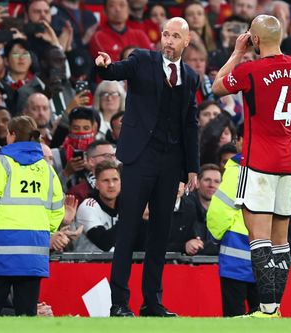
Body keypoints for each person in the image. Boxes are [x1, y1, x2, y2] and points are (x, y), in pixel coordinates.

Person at [95, 17, 199, 317]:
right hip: (140, 159)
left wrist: (191, 168)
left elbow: (190, 124)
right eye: (165, 34)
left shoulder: (190, 77)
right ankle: (119, 303)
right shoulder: (142, 59)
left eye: (175, 36)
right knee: (127, 231)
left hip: (171, 164)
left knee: (159, 235)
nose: (168, 40)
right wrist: (104, 65)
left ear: (186, 41)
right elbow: (117, 70)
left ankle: (152, 303)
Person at [212, 14, 291, 318]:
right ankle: (276, 309)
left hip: (259, 162)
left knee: (259, 237)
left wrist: (237, 53)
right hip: (288, 162)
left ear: (253, 39)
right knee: (282, 241)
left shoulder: (251, 70)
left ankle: (265, 309)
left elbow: (216, 88)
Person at [0, 115, 65, 316]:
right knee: (26, 318)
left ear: (11, 135)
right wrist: (42, 235)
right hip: (34, 254)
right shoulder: (47, 169)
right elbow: (57, 211)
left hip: (0, 251)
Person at [207, 153, 259, 317]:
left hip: (236, 252)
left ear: (241, 141)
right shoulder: (274, 169)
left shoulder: (238, 169)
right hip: (265, 253)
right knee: (263, 319)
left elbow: (220, 211)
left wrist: (215, 238)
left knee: (234, 319)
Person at [74, 160, 120, 252]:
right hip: (87, 264)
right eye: (105, 181)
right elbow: (103, 243)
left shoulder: (125, 205)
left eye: (115, 180)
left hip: (115, 264)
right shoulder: (88, 206)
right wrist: (131, 218)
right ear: (97, 185)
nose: (111, 185)